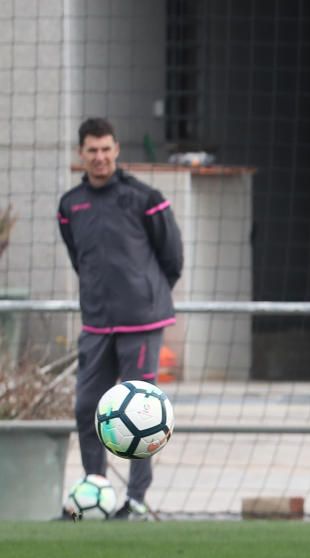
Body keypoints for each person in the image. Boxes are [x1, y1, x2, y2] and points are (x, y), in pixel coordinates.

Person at [57, 117, 184, 520]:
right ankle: (96, 488)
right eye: (92, 150)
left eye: (106, 149)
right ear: (81, 154)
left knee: (142, 414)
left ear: (116, 150)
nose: (99, 157)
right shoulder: (69, 205)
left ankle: (136, 500)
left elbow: (172, 257)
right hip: (96, 322)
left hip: (142, 321)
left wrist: (145, 293)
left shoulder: (144, 197)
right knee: (86, 407)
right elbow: (81, 260)